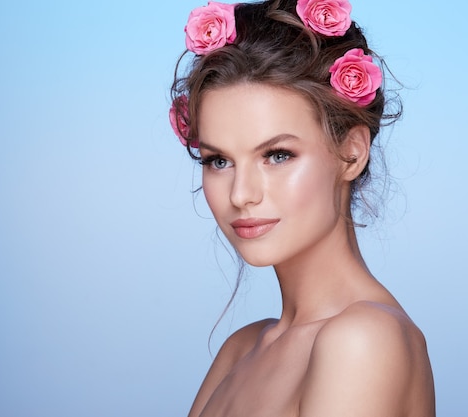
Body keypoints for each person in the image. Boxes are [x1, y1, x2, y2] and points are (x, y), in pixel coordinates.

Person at [168, 0, 436, 416]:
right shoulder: (240, 350)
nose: (241, 194)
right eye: (218, 160)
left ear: (351, 153)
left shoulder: (364, 340)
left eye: (277, 155)